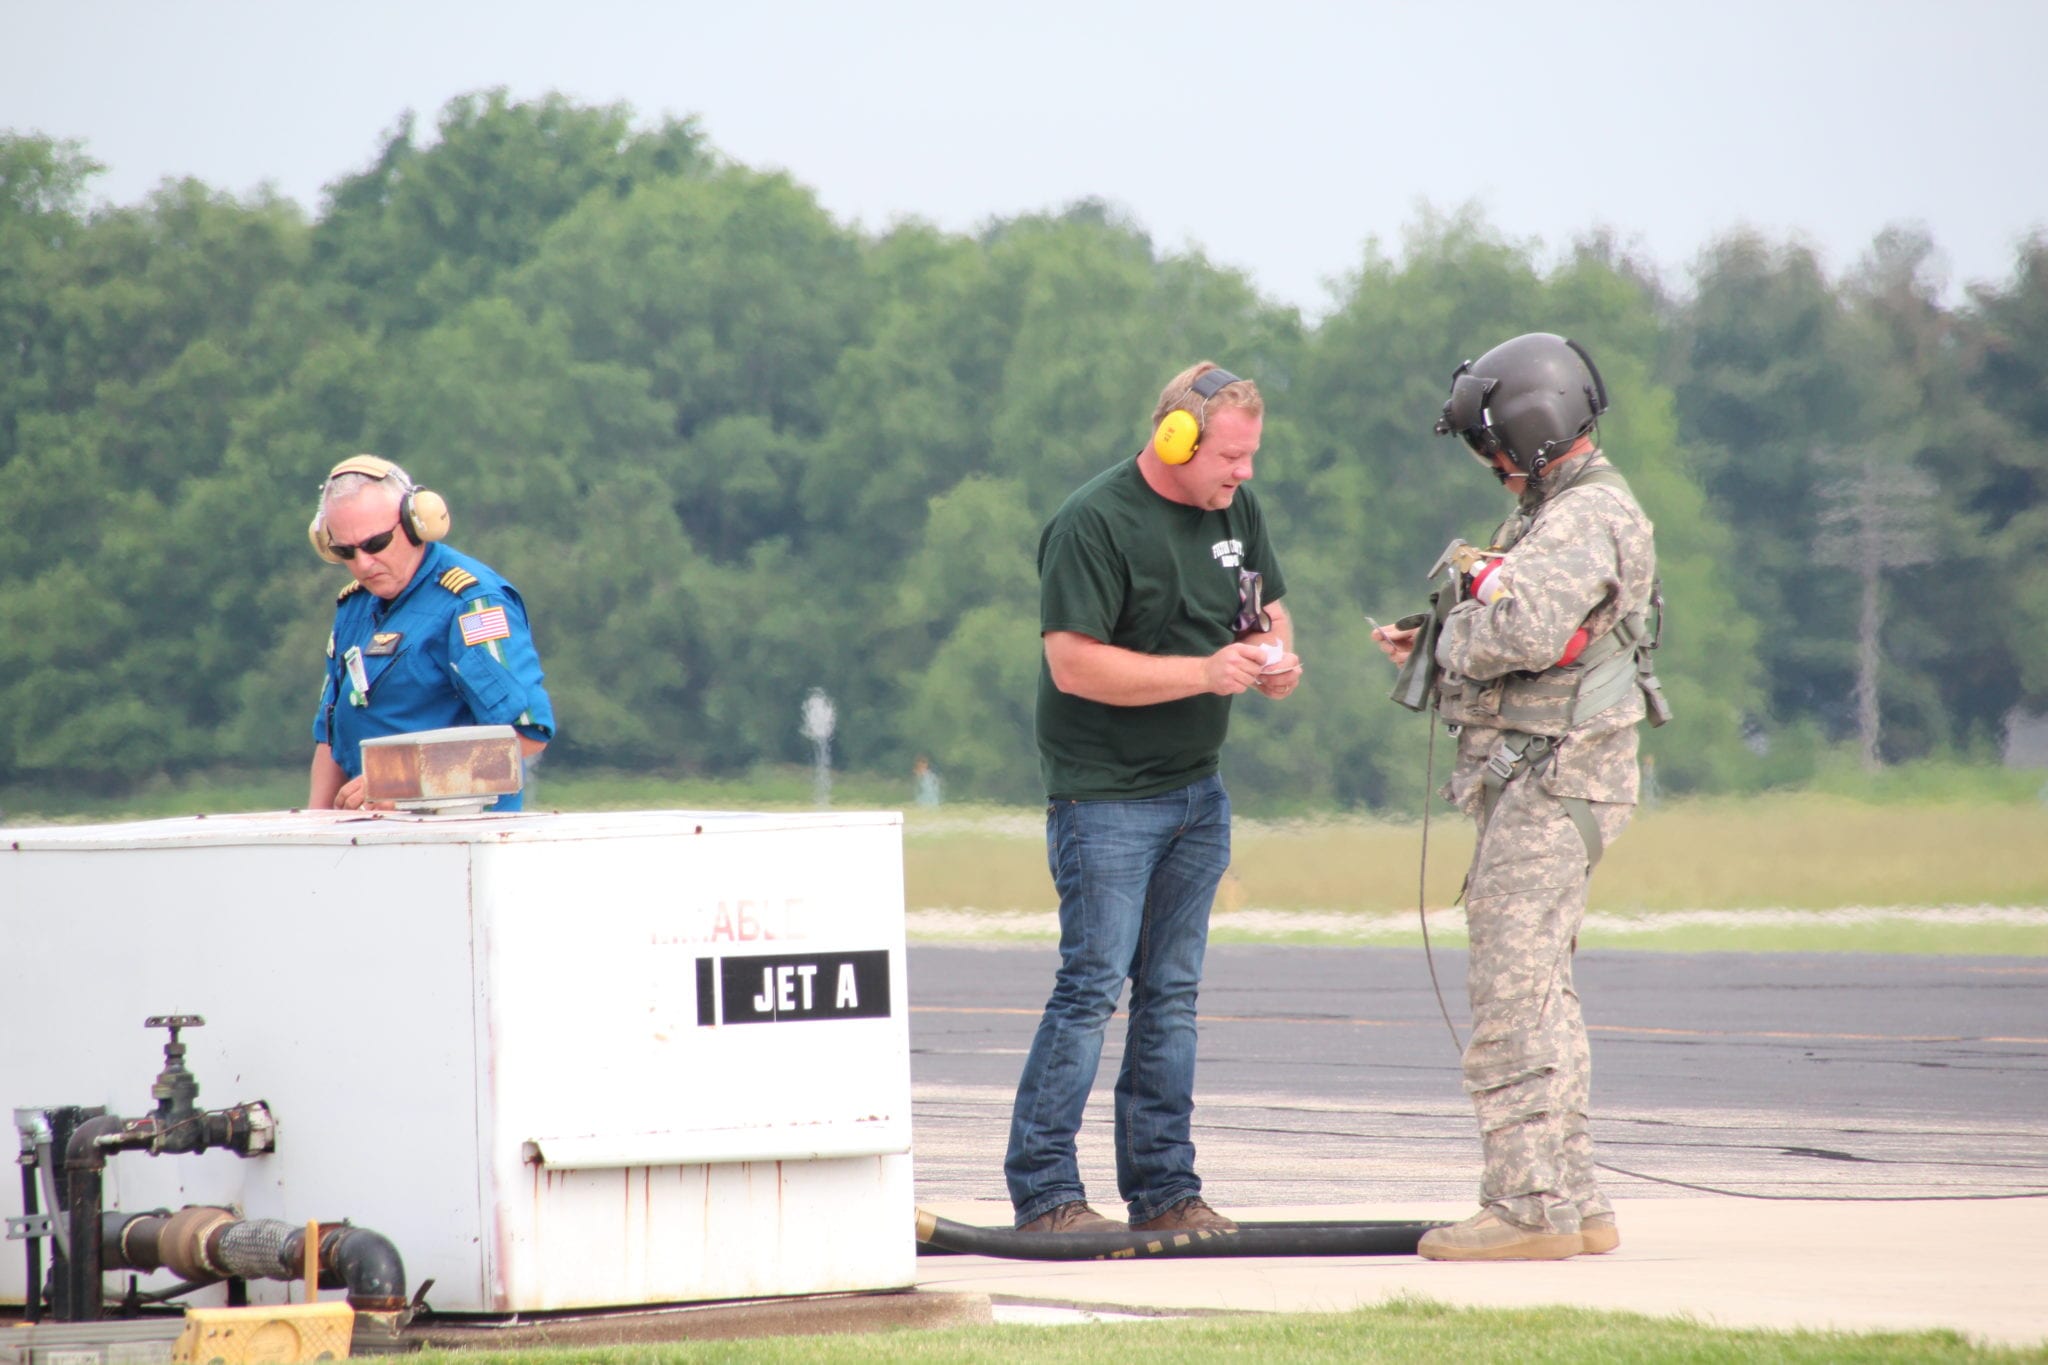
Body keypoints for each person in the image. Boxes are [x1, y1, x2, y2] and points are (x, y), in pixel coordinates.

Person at [1372, 333, 1668, 1260]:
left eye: (1490, 445)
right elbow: (1532, 620)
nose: (1489, 465)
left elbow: (1525, 624)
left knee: (1508, 991)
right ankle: (1575, 1198)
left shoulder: (1580, 518)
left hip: (1551, 780)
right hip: (1557, 776)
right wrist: (1445, 630)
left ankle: (1525, 1205)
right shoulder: (1571, 512)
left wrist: (1453, 633)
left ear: (1529, 435)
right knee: (1544, 993)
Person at [1005, 362, 1302, 1235]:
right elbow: (1074, 662)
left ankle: (1166, 1191)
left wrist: (1273, 657)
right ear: (1176, 438)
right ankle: (1046, 1192)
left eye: (1251, 457)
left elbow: (1269, 609)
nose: (1244, 474)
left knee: (1172, 995)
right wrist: (1206, 673)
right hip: (1103, 798)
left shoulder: (1234, 510)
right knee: (1093, 985)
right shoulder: (1092, 523)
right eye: (1231, 456)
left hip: (1195, 794)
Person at [306, 455, 555, 812]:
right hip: (364, 841)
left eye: (376, 544)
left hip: (454, 840)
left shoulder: (469, 602)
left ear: (416, 523)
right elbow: (330, 736)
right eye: (345, 551)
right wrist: (315, 830)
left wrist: (405, 785)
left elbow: (525, 734)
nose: (362, 564)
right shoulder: (355, 606)